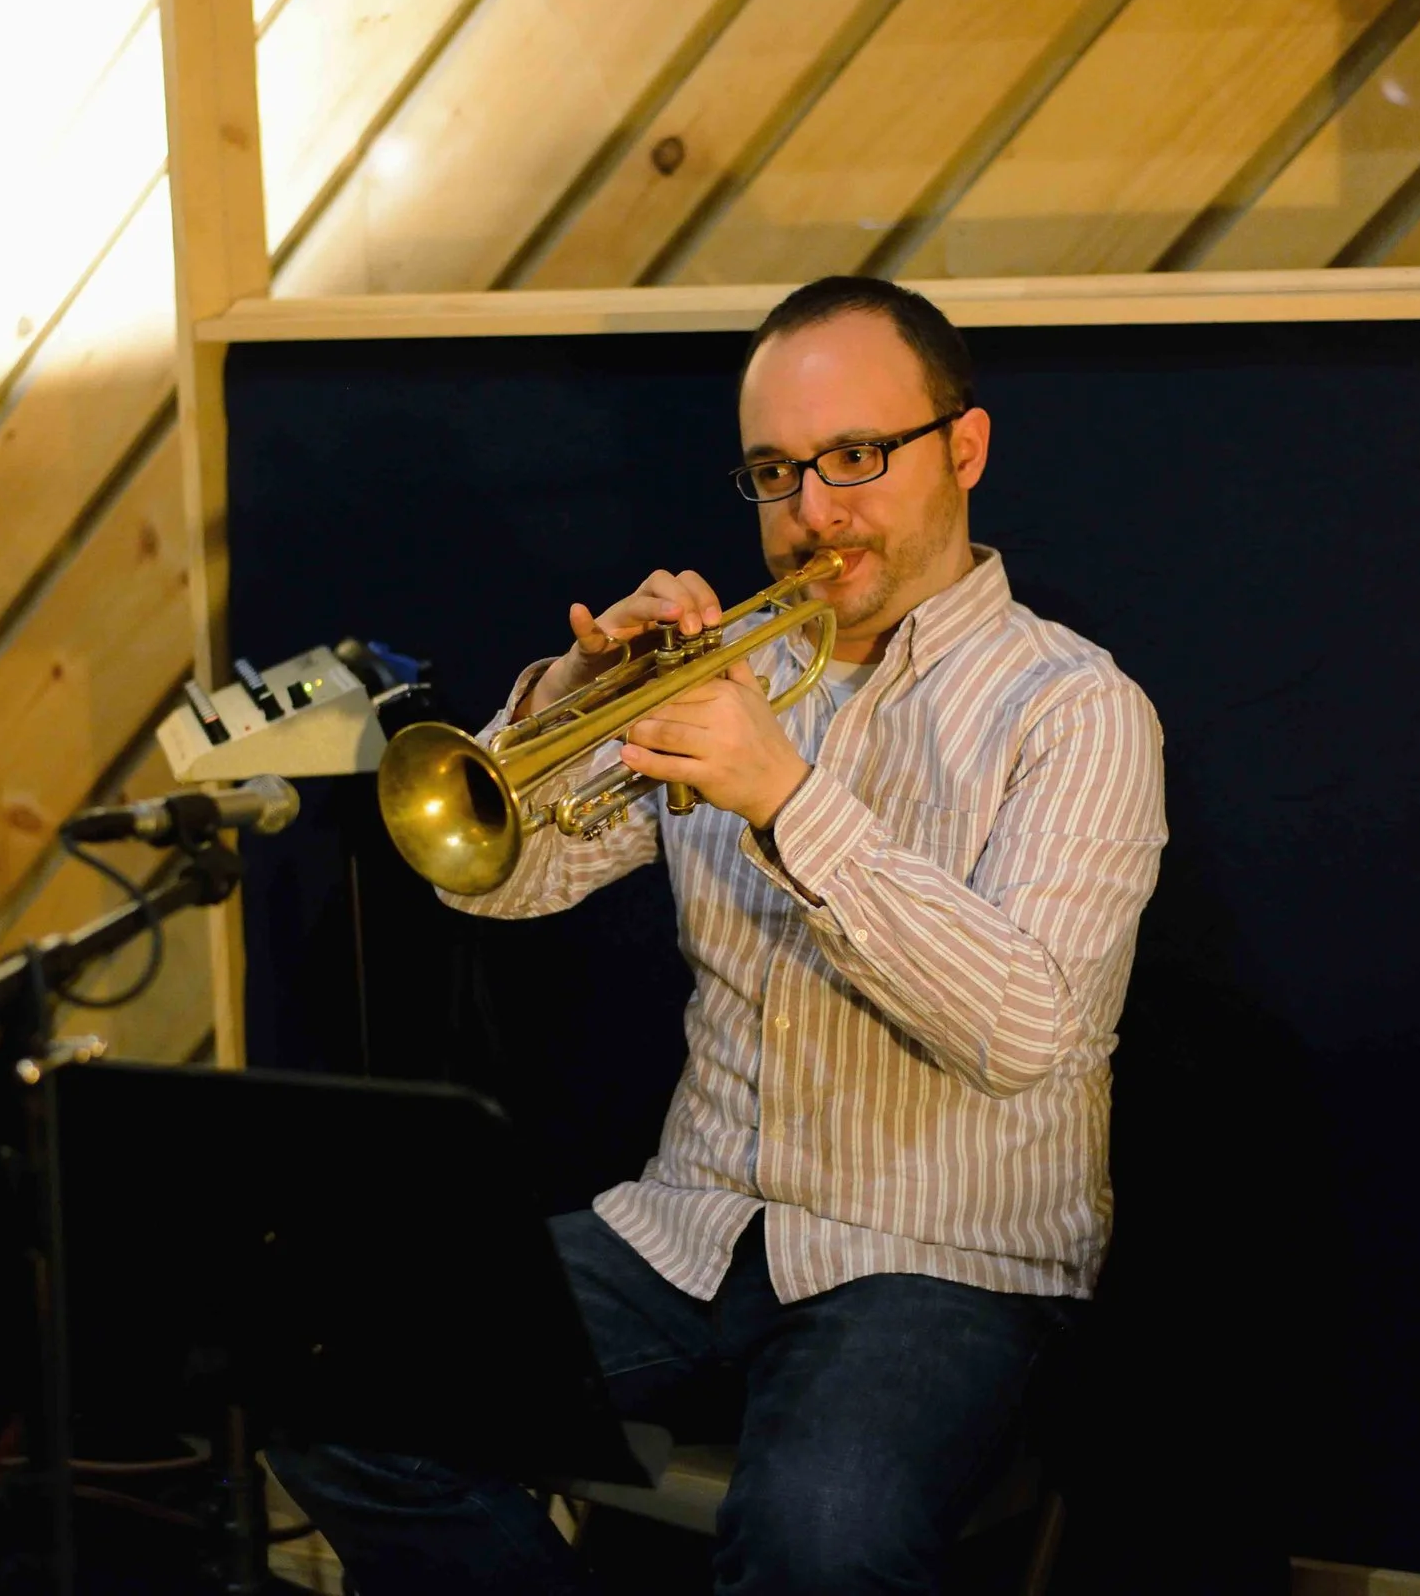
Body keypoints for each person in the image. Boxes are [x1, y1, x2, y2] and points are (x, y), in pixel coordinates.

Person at [272, 275, 1167, 1594]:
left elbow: (1029, 1029)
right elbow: (494, 886)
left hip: (943, 1259)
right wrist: (564, 710)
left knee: (819, 1537)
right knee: (320, 1370)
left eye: (858, 457)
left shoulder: (1075, 709)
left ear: (962, 448)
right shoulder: (728, 674)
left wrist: (789, 799)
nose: (815, 513)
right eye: (775, 472)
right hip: (690, 1226)